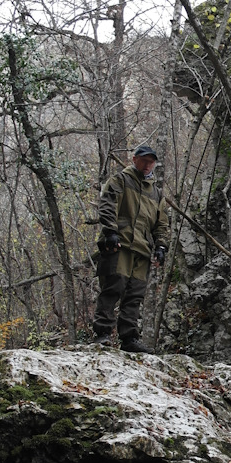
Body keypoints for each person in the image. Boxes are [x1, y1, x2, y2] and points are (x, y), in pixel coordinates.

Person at [93, 144, 169, 352]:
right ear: (134, 159)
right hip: (120, 244)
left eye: (151, 161)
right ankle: (103, 334)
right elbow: (107, 204)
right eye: (143, 160)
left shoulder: (156, 193)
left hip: (142, 250)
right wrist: (110, 231)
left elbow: (162, 223)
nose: (147, 165)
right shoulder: (120, 180)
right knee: (113, 287)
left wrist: (161, 246)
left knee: (135, 294)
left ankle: (129, 339)